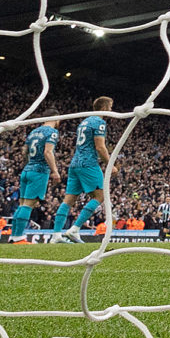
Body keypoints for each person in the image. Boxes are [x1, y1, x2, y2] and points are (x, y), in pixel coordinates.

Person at [53, 97, 114, 243]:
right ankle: (74, 229)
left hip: (75, 163)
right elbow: (100, 146)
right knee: (100, 196)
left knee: (69, 200)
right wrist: (110, 163)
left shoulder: (84, 122)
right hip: (88, 163)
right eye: (111, 107)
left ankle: (56, 235)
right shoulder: (99, 122)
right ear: (104, 108)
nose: (111, 110)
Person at [10, 119, 61, 243]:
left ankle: (13, 236)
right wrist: (55, 171)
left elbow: (24, 152)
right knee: (28, 205)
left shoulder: (33, 132)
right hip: (39, 171)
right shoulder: (52, 132)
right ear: (56, 119)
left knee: (22, 205)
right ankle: (18, 237)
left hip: (27, 170)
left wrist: (28, 166)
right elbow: (48, 152)